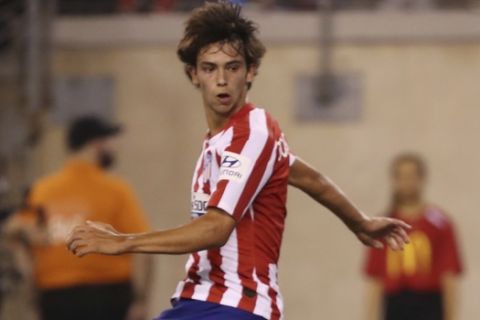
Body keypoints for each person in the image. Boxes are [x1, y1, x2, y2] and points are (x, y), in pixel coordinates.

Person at [66, 3, 410, 320]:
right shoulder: (226, 140)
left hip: (235, 305)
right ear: (193, 75)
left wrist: (123, 242)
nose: (221, 80)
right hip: (201, 301)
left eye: (232, 67)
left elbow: (217, 228)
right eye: (209, 68)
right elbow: (310, 179)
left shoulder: (253, 130)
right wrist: (360, 222)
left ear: (250, 72)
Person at [6, 116, 153, 320]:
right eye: (111, 140)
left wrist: (32, 296)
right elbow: (142, 247)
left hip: (55, 299)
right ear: (96, 144)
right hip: (109, 298)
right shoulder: (116, 190)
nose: (115, 147)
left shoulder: (42, 190)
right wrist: (140, 301)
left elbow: (15, 232)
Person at [364, 153, 463, 320]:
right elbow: (376, 279)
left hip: (430, 303)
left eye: (411, 175)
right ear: (394, 180)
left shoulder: (440, 224)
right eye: (401, 176)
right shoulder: (383, 226)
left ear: (422, 178)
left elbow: (449, 277)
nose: (407, 182)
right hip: (395, 304)